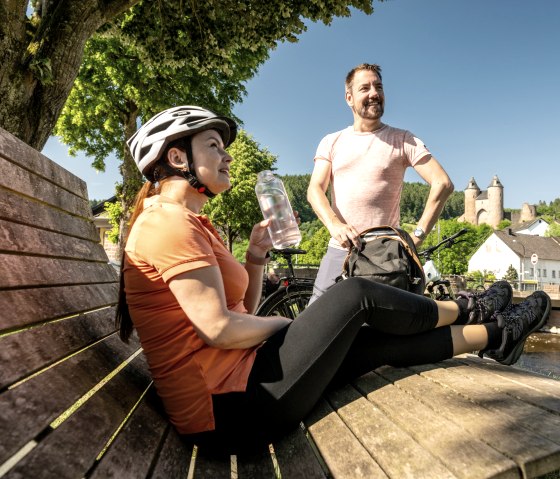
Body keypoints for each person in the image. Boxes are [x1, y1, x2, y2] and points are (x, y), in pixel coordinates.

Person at [116, 105, 551, 454]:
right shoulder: (167, 225)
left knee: (364, 344)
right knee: (354, 294)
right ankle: (470, 307)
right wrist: (295, 326)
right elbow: (219, 329)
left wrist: (254, 260)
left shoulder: (192, 223)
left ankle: (495, 335)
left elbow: (238, 314)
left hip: (239, 388)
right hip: (227, 412)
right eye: (214, 146)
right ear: (177, 158)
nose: (227, 156)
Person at [307, 63, 454, 303]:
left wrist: (416, 236)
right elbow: (315, 190)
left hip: (384, 257)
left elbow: (443, 183)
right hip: (339, 251)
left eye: (378, 87)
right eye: (364, 88)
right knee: (315, 323)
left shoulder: (403, 139)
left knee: (380, 334)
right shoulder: (331, 141)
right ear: (349, 98)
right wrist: (335, 225)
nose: (374, 93)